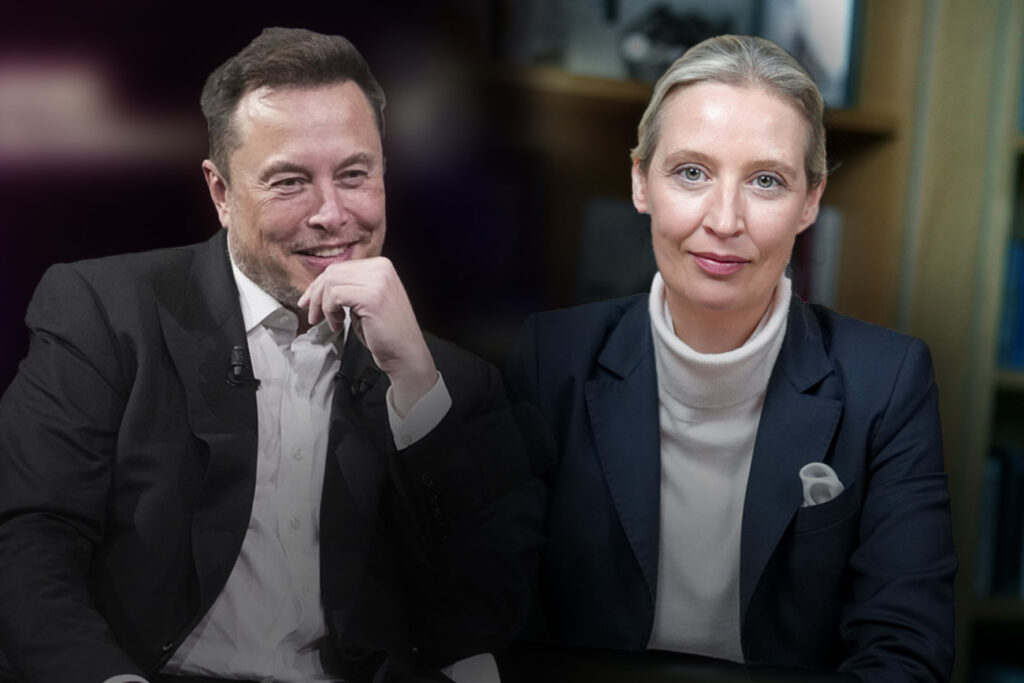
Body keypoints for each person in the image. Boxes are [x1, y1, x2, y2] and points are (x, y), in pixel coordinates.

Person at [0, 27, 547, 683]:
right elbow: (30, 536)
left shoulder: (451, 381)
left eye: (355, 175)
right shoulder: (106, 312)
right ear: (221, 193)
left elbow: (481, 614)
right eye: (290, 182)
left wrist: (414, 385)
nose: (331, 214)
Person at [508, 35, 956, 682]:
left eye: (766, 181)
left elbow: (906, 657)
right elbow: (486, 617)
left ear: (810, 201)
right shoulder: (550, 358)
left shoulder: (888, 382)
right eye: (691, 172)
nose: (724, 220)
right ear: (640, 181)